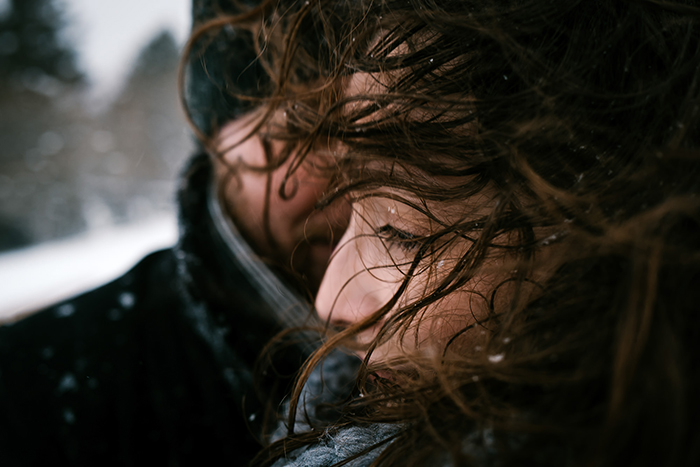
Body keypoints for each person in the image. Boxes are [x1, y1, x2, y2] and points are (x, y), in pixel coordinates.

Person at [0, 1, 698, 467]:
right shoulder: (40, 393)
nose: (339, 289)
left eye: (396, 219)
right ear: (222, 140)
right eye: (302, 128)